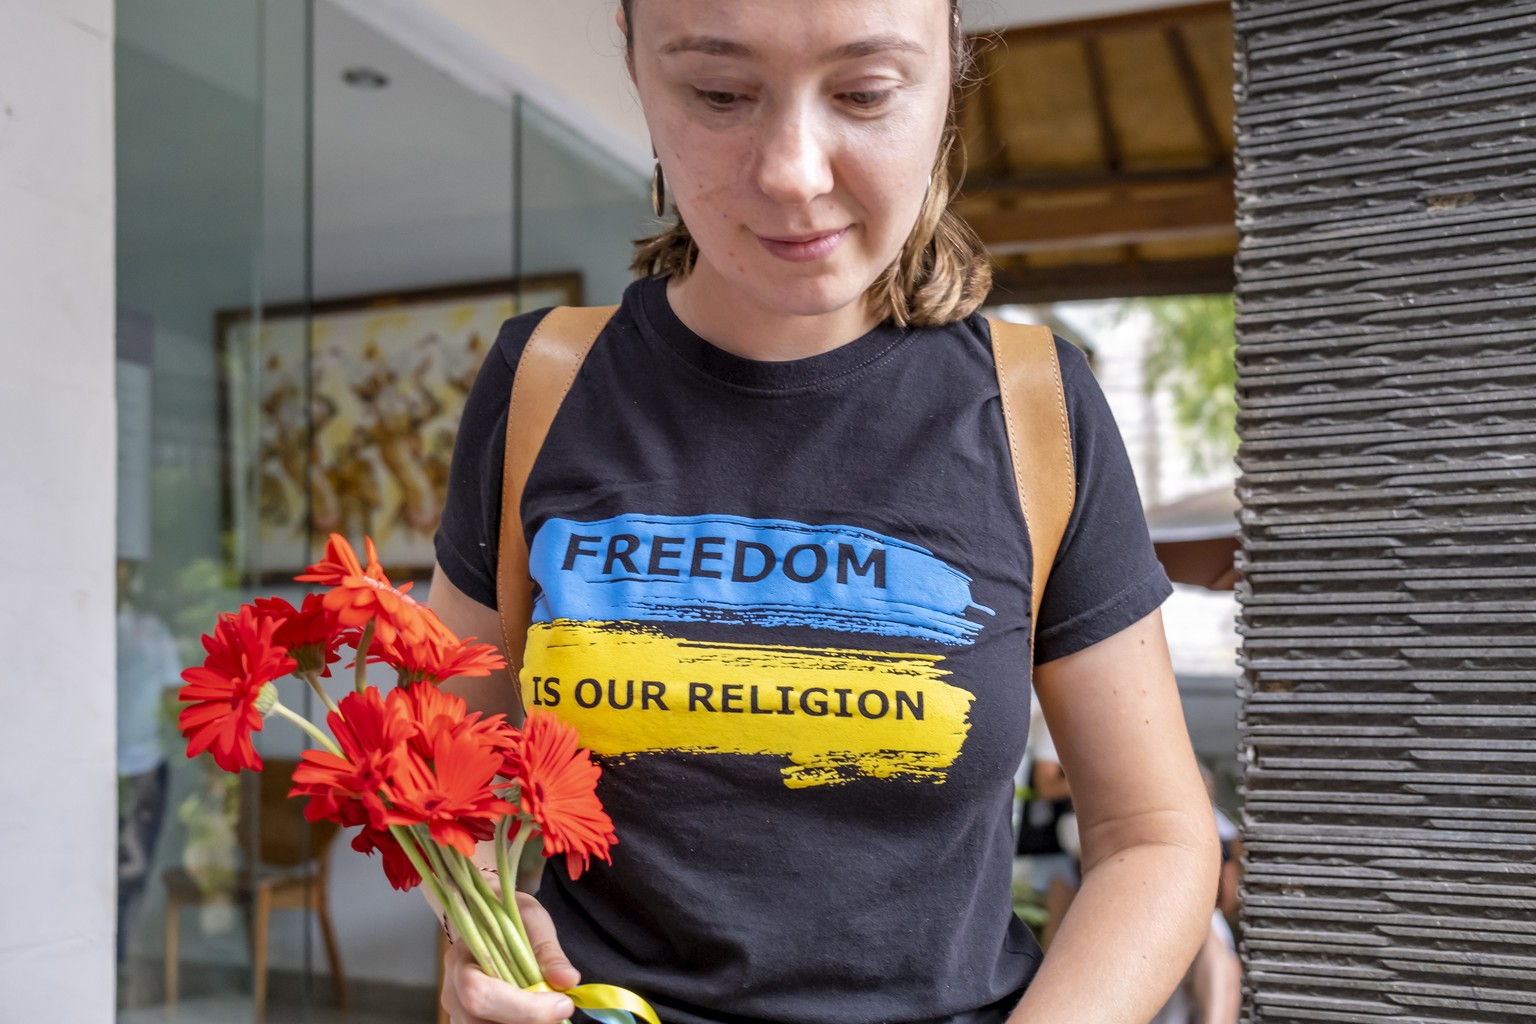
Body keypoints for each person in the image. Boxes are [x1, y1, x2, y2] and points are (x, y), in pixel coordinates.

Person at [427, 2, 1219, 1021]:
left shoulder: (1034, 408)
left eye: (864, 93)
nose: (793, 173)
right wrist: (480, 932)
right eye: (719, 93)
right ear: (636, 68)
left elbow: (1153, 835)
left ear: (949, 77)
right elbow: (447, 777)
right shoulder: (542, 384)